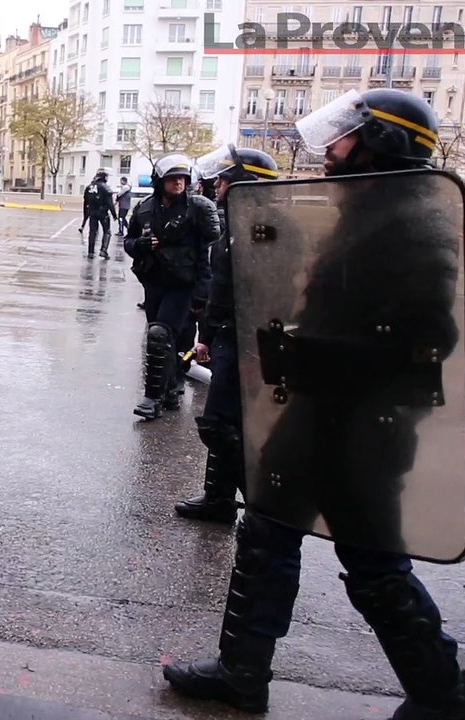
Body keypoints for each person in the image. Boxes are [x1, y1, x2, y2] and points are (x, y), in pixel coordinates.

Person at [163, 89, 465, 720]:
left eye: (342, 137)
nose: (330, 150)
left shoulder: (413, 221)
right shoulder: (369, 209)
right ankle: (242, 673)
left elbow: (425, 340)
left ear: (381, 142)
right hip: (322, 412)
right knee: (266, 532)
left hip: (364, 424)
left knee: (374, 562)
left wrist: (312, 353)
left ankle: (444, 696)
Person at [173, 144, 279, 525]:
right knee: (224, 423)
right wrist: (206, 336)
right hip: (228, 337)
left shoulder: (269, 229)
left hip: (251, 341)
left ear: (243, 183)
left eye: (223, 180)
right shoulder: (236, 223)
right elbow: (221, 290)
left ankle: (263, 506)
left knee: (224, 424)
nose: (216, 186)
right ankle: (219, 498)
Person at [122, 154, 219, 419]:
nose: (178, 183)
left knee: (160, 336)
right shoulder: (145, 208)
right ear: (160, 180)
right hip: (155, 284)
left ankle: (152, 398)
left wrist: (202, 293)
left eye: (182, 178)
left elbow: (207, 253)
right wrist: (139, 246)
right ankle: (171, 388)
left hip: (184, 286)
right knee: (166, 341)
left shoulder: (196, 209)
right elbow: (129, 241)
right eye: (173, 178)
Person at [79, 168, 118, 259]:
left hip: (92, 212)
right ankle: (103, 250)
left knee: (92, 232)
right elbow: (110, 203)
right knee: (107, 231)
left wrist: (86, 215)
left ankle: (90, 252)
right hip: (103, 212)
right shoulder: (105, 187)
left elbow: (85, 202)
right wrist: (114, 215)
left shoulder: (89, 187)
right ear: (104, 177)